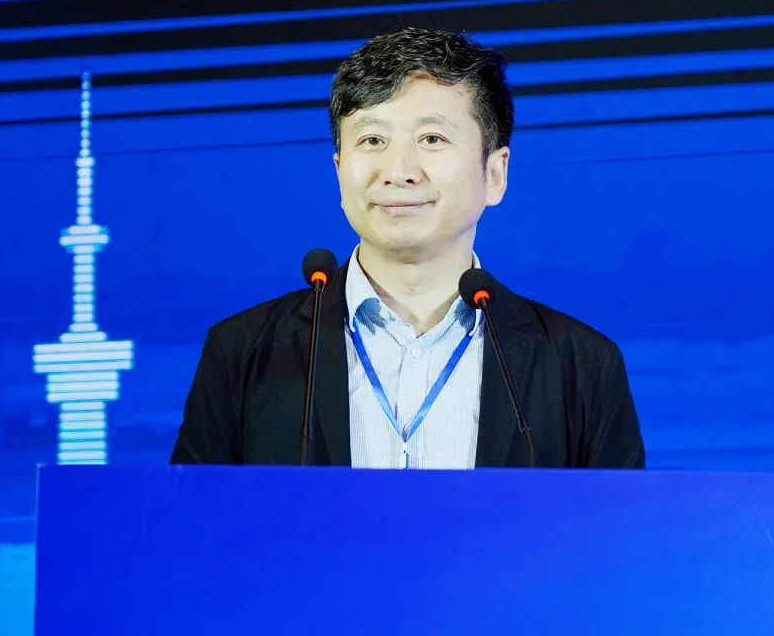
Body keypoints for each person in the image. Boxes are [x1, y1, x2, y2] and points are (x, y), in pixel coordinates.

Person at [170, 27, 644, 468]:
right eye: (372, 139)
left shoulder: (581, 365)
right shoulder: (243, 353)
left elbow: (618, 529)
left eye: (432, 138)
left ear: (495, 174)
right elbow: (189, 523)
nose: (398, 171)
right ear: (339, 170)